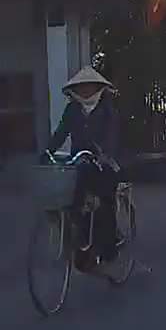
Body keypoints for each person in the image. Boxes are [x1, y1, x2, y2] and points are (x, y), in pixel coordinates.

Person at [46, 66, 122, 272]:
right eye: (81, 87)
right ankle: (80, 236)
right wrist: (47, 151)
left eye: (89, 86)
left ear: (98, 88)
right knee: (73, 197)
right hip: (80, 161)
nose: (85, 90)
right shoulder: (72, 109)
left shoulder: (107, 109)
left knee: (104, 201)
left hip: (105, 164)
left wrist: (105, 154)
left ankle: (109, 246)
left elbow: (112, 135)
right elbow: (61, 132)